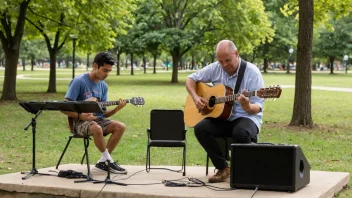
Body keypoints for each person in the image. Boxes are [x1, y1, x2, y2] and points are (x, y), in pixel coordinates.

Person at [185, 40, 264, 183]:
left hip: (247, 118)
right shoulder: (215, 68)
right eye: (220, 61)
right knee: (201, 128)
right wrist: (196, 97)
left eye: (227, 60)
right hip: (224, 118)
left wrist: (246, 106)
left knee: (240, 132)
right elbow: (190, 79)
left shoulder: (253, 73)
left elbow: (257, 107)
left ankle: (243, 171)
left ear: (236, 53)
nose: (224, 65)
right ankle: (223, 168)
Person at [62, 52, 127, 174]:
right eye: (104, 70)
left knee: (120, 126)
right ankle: (109, 161)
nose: (107, 74)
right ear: (95, 66)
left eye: (109, 71)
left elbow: (103, 114)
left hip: (96, 120)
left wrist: (116, 109)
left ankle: (102, 162)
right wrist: (81, 116)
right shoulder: (79, 81)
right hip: (79, 122)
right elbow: (63, 108)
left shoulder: (103, 86)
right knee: (96, 128)